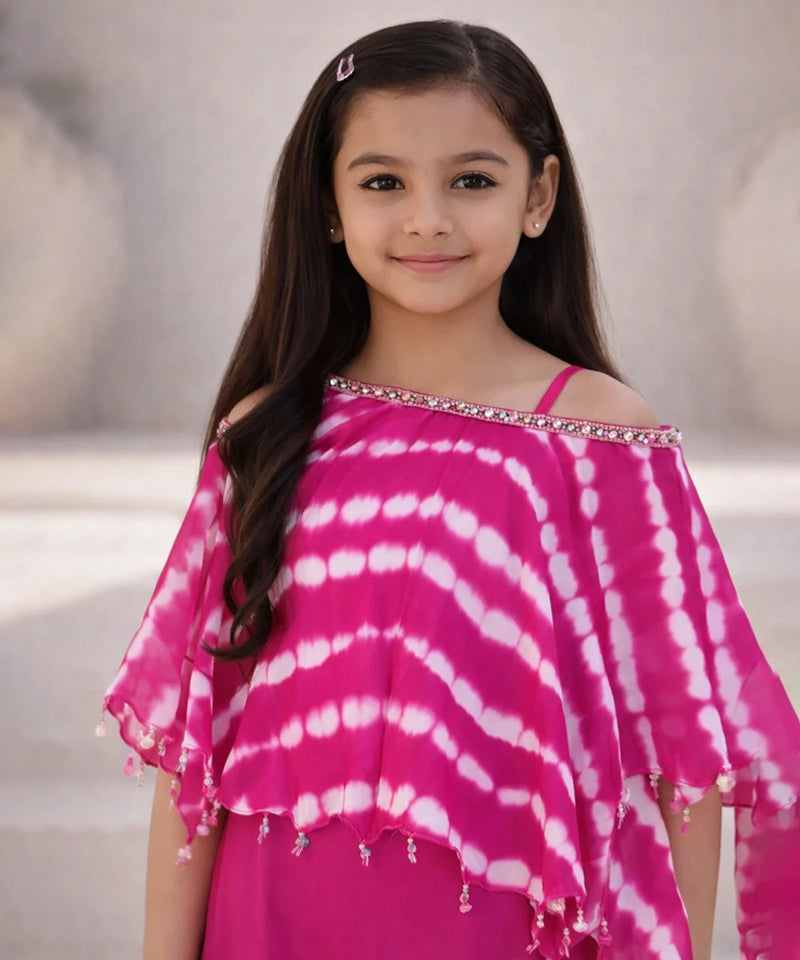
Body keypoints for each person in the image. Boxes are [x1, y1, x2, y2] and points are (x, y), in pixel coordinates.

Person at [97, 18, 800, 960]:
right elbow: (195, 761)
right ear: (331, 206)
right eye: (383, 181)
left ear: (538, 194)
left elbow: (681, 761)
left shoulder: (595, 437)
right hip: (267, 921)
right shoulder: (263, 432)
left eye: (472, 180)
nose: (427, 216)